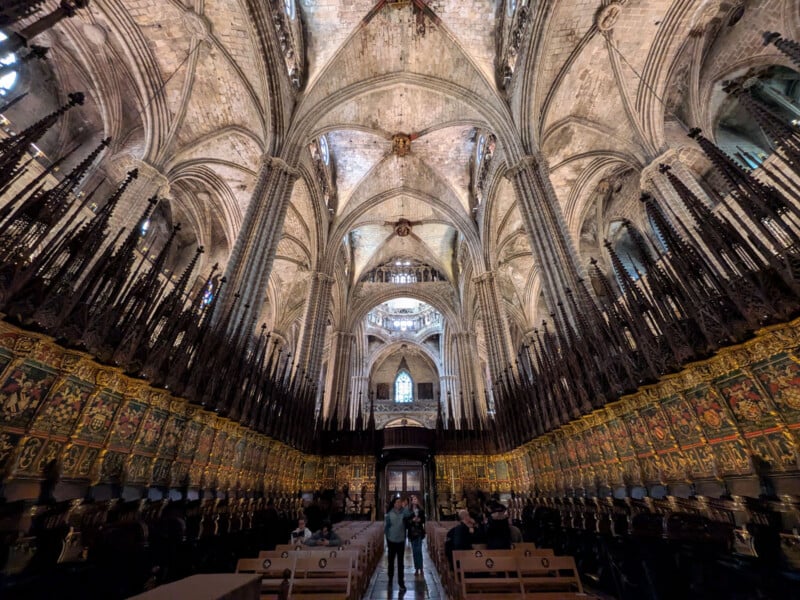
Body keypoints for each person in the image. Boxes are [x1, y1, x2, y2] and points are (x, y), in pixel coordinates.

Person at [384, 496, 409, 591]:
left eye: (400, 502)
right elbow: (386, 528)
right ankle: (390, 578)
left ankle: (401, 582)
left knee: (400, 562)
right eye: (397, 502)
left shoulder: (404, 513)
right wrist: (388, 539)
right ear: (394, 504)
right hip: (392, 541)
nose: (398, 504)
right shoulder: (389, 514)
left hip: (401, 541)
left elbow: (409, 516)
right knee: (391, 561)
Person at [404, 494, 426, 577]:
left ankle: (421, 568)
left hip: (419, 532)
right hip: (412, 533)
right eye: (413, 499)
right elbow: (406, 522)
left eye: (415, 499)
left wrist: (420, 520)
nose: (414, 501)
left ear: (417, 501)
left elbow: (424, 520)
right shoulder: (409, 511)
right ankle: (417, 568)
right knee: (414, 551)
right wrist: (412, 520)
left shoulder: (421, 510)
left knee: (419, 550)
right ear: (411, 501)